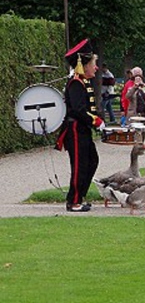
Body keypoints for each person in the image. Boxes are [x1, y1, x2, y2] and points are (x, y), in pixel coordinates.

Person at [56, 39, 104, 212]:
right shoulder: (76, 82)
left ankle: (79, 195)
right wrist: (95, 121)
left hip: (82, 129)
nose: (96, 68)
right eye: (93, 64)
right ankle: (74, 201)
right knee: (80, 164)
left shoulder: (83, 81)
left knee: (92, 160)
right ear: (83, 65)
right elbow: (77, 109)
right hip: (75, 129)